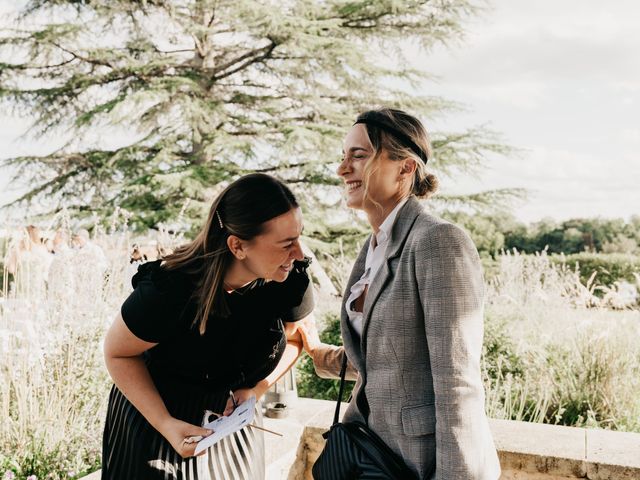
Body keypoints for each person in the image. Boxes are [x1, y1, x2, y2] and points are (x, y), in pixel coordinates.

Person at [298, 108, 501, 479]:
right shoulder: (373, 248)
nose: (342, 169)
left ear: (405, 168)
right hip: (371, 453)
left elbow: (457, 380)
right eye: (343, 157)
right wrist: (316, 351)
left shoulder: (438, 242)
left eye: (358, 156)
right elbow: (386, 356)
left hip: (419, 462)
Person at [102, 173, 314, 479]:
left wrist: (255, 389)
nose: (299, 253)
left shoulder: (290, 275)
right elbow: (118, 354)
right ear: (238, 246)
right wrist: (165, 424)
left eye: (299, 237)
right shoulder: (169, 290)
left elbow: (295, 339)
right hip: (156, 422)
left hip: (233, 427)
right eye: (285, 244)